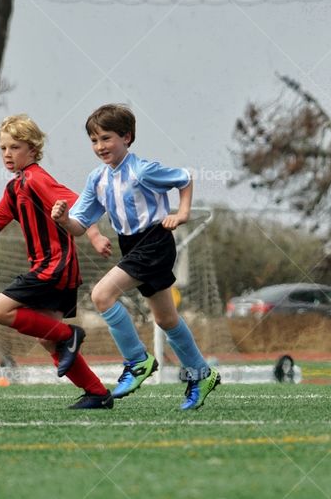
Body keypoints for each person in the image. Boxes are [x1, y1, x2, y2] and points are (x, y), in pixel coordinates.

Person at [51, 104, 221, 410]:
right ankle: (202, 373)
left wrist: (181, 214)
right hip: (130, 244)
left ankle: (137, 361)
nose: (100, 146)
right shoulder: (97, 180)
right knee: (166, 319)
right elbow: (78, 226)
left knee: (101, 295)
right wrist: (63, 219)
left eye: (106, 138)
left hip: (155, 241)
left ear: (127, 137)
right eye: (94, 140)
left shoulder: (142, 170)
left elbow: (184, 178)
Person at [0, 114, 115, 409]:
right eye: (3, 148)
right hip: (51, 267)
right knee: (48, 339)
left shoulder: (35, 179)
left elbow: (78, 204)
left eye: (15, 147)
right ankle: (97, 393)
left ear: (32, 150)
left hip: (55, 265)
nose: (7, 154)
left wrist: (94, 237)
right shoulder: (14, 187)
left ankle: (70, 335)